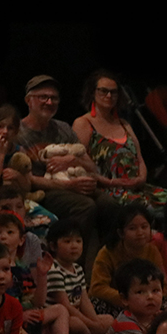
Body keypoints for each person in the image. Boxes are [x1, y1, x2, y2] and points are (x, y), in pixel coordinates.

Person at [17, 75, 113, 271]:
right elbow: (23, 179)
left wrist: (73, 160)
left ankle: (105, 267)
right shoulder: (19, 133)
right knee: (85, 206)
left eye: (54, 98)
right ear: (29, 100)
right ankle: (71, 269)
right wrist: (68, 185)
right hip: (43, 190)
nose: (49, 102)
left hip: (72, 181)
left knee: (109, 204)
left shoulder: (63, 128)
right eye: (43, 97)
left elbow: (90, 164)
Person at [72, 70, 167, 209]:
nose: (109, 95)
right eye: (103, 91)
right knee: (147, 207)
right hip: (110, 190)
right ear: (93, 93)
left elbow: (139, 158)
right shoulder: (83, 123)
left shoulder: (124, 123)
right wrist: (111, 183)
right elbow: (80, 164)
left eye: (113, 92)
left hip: (137, 188)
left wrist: (141, 179)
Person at [89, 203, 165, 315]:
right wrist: (130, 299)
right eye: (132, 228)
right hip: (118, 302)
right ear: (121, 233)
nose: (140, 233)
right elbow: (97, 287)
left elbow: (163, 283)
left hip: (146, 300)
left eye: (144, 227)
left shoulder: (152, 251)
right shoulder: (107, 252)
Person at [45, 219, 114, 334]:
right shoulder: (54, 270)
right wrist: (92, 325)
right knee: (76, 324)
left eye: (78, 241)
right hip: (59, 320)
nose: (74, 246)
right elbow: (65, 306)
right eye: (67, 241)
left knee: (109, 319)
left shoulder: (78, 268)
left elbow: (84, 300)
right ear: (52, 246)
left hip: (77, 315)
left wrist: (95, 321)